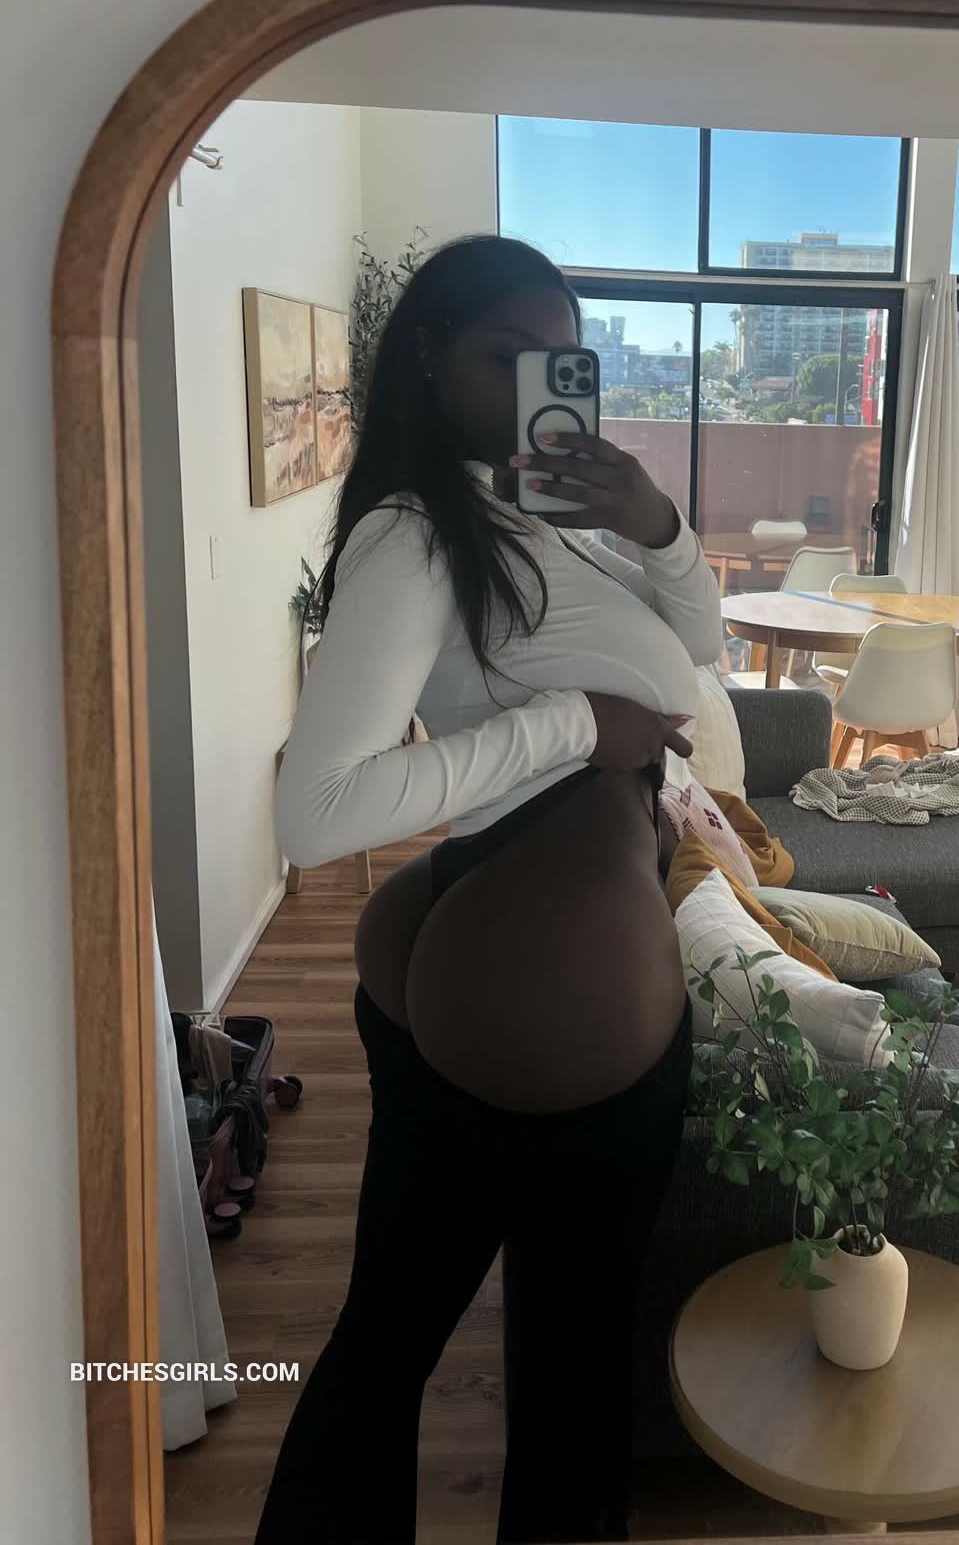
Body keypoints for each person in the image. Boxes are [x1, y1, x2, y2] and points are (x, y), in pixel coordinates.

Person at [255, 236, 723, 1545]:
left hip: (513, 917)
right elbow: (316, 811)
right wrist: (580, 725)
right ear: (428, 357)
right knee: (562, 1369)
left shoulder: (515, 509)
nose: (532, 384)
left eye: (556, 359)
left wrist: (656, 527)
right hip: (544, 943)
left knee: (396, 1336)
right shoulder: (414, 530)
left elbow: (700, 647)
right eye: (502, 355)